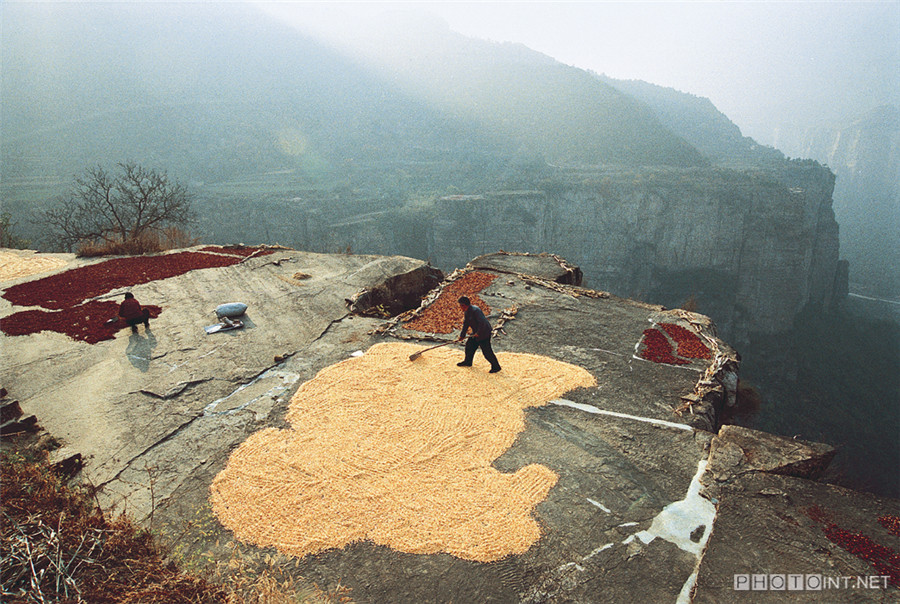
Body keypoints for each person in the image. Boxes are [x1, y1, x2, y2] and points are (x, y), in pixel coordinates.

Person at [456, 296, 501, 373]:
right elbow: (465, 324)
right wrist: (462, 335)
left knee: (487, 351)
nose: (460, 307)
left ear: (464, 305)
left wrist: (478, 333)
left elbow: (482, 323)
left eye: (460, 305)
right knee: (469, 346)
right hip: (476, 332)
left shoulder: (476, 310)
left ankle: (496, 367)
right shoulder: (467, 311)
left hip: (484, 332)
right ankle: (468, 362)